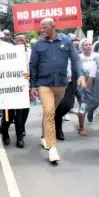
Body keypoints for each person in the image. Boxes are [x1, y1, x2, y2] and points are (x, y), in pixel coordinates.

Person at [29, 18, 85, 163]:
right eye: (40, 28)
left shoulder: (66, 41)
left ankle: (44, 136)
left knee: (51, 111)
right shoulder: (37, 45)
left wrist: (81, 76)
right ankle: (52, 147)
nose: (41, 30)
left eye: (45, 27)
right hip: (44, 83)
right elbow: (33, 65)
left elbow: (76, 59)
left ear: (54, 27)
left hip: (61, 84)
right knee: (49, 111)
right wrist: (33, 86)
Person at [0, 34, 30, 148]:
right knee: (9, 114)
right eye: (18, 40)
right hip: (10, 88)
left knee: (22, 114)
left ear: (26, 42)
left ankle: (19, 136)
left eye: (23, 40)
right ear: (14, 42)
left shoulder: (30, 54)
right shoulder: (8, 54)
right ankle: (4, 130)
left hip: (25, 88)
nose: (20, 42)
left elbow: (34, 68)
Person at [75, 38, 99, 136]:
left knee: (96, 102)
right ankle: (81, 127)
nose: (89, 46)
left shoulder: (97, 56)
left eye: (90, 44)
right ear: (82, 47)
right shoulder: (78, 57)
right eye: (86, 45)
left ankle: (91, 111)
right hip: (83, 85)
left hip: (97, 85)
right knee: (83, 105)